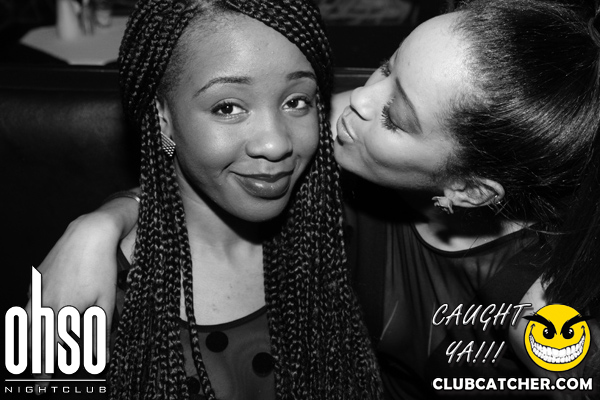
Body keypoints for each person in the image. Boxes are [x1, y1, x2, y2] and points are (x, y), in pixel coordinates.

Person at [28, 0, 600, 398]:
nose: (354, 102)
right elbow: (207, 151)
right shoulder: (341, 141)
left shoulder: (532, 292)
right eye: (385, 66)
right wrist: (98, 227)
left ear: (468, 190)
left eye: (396, 117)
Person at [26, 0, 384, 399]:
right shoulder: (90, 289)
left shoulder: (349, 230)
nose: (275, 144)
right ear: (162, 117)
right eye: (228, 107)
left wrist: (106, 219)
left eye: (296, 101)